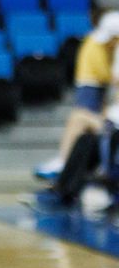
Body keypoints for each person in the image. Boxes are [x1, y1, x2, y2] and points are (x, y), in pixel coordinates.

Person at [35, 11, 119, 180]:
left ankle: (65, 164)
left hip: (114, 126)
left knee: (79, 118)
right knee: (79, 120)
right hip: (111, 119)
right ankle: (65, 166)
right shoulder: (99, 48)